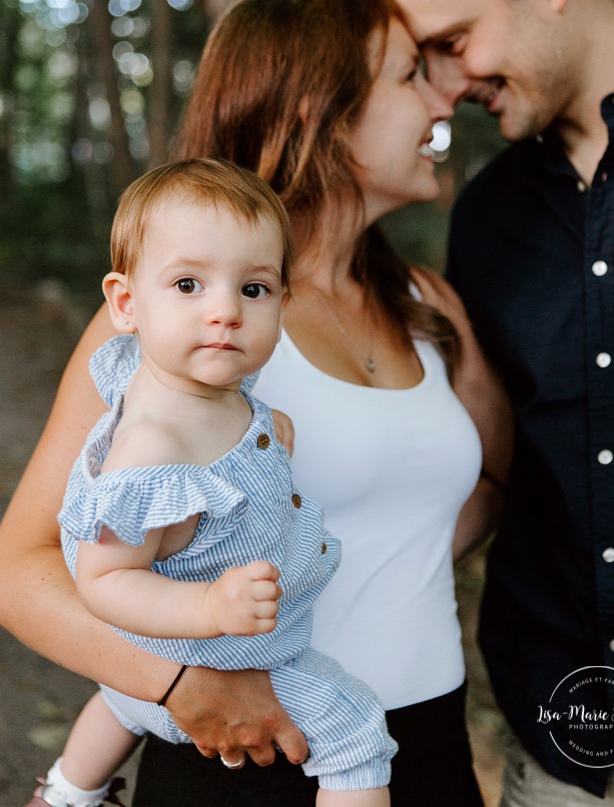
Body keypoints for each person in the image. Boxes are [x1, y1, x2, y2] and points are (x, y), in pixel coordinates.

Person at [0, 0, 512, 807]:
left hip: (424, 743)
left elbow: (484, 487)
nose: (443, 95)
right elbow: (19, 569)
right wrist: (174, 686)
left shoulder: (427, 304)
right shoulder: (184, 318)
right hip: (243, 751)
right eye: (409, 74)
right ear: (323, 110)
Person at [363, 0, 614, 807]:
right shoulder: (489, 216)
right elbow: (482, 464)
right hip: (554, 762)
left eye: (452, 38)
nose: (445, 83)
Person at [26, 157, 397, 807]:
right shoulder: (149, 449)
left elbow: (231, 413)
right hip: (224, 656)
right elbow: (104, 579)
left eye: (252, 289)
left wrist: (264, 425)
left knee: (122, 704)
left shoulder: (204, 382)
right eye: (189, 284)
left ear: (282, 300)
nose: (225, 311)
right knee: (358, 731)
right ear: (125, 303)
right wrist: (206, 609)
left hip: (159, 671)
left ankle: (66, 792)